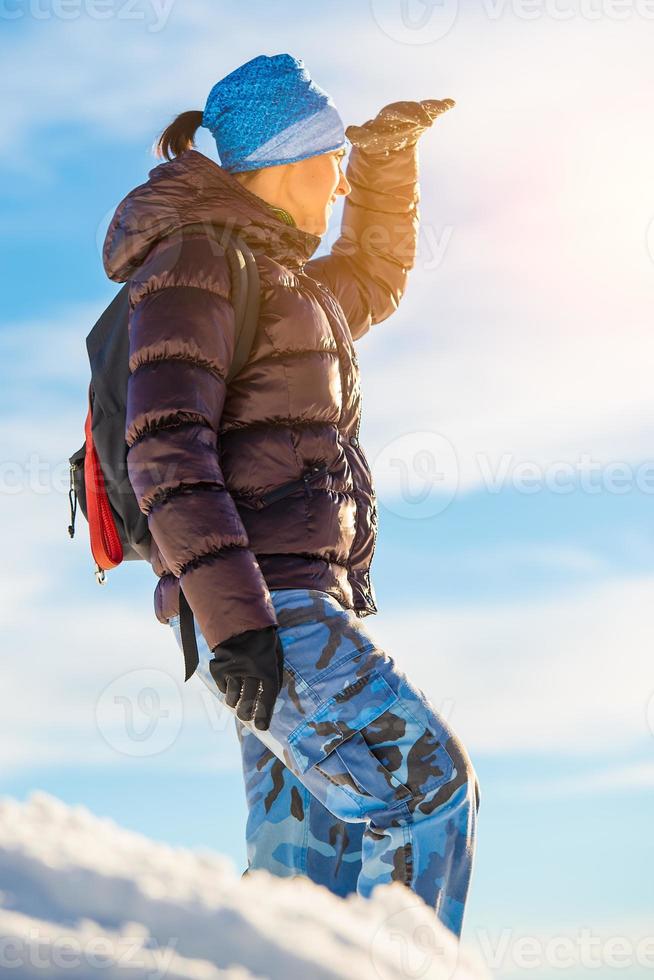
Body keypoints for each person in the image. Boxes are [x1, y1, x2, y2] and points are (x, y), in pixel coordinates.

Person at [102, 52, 479, 938]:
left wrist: (387, 168)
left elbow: (374, 280)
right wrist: (240, 629)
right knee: (428, 794)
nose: (340, 181)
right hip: (270, 608)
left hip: (271, 609)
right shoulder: (196, 263)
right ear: (290, 164)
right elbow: (166, 450)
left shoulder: (281, 280)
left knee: (306, 883)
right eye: (336, 163)